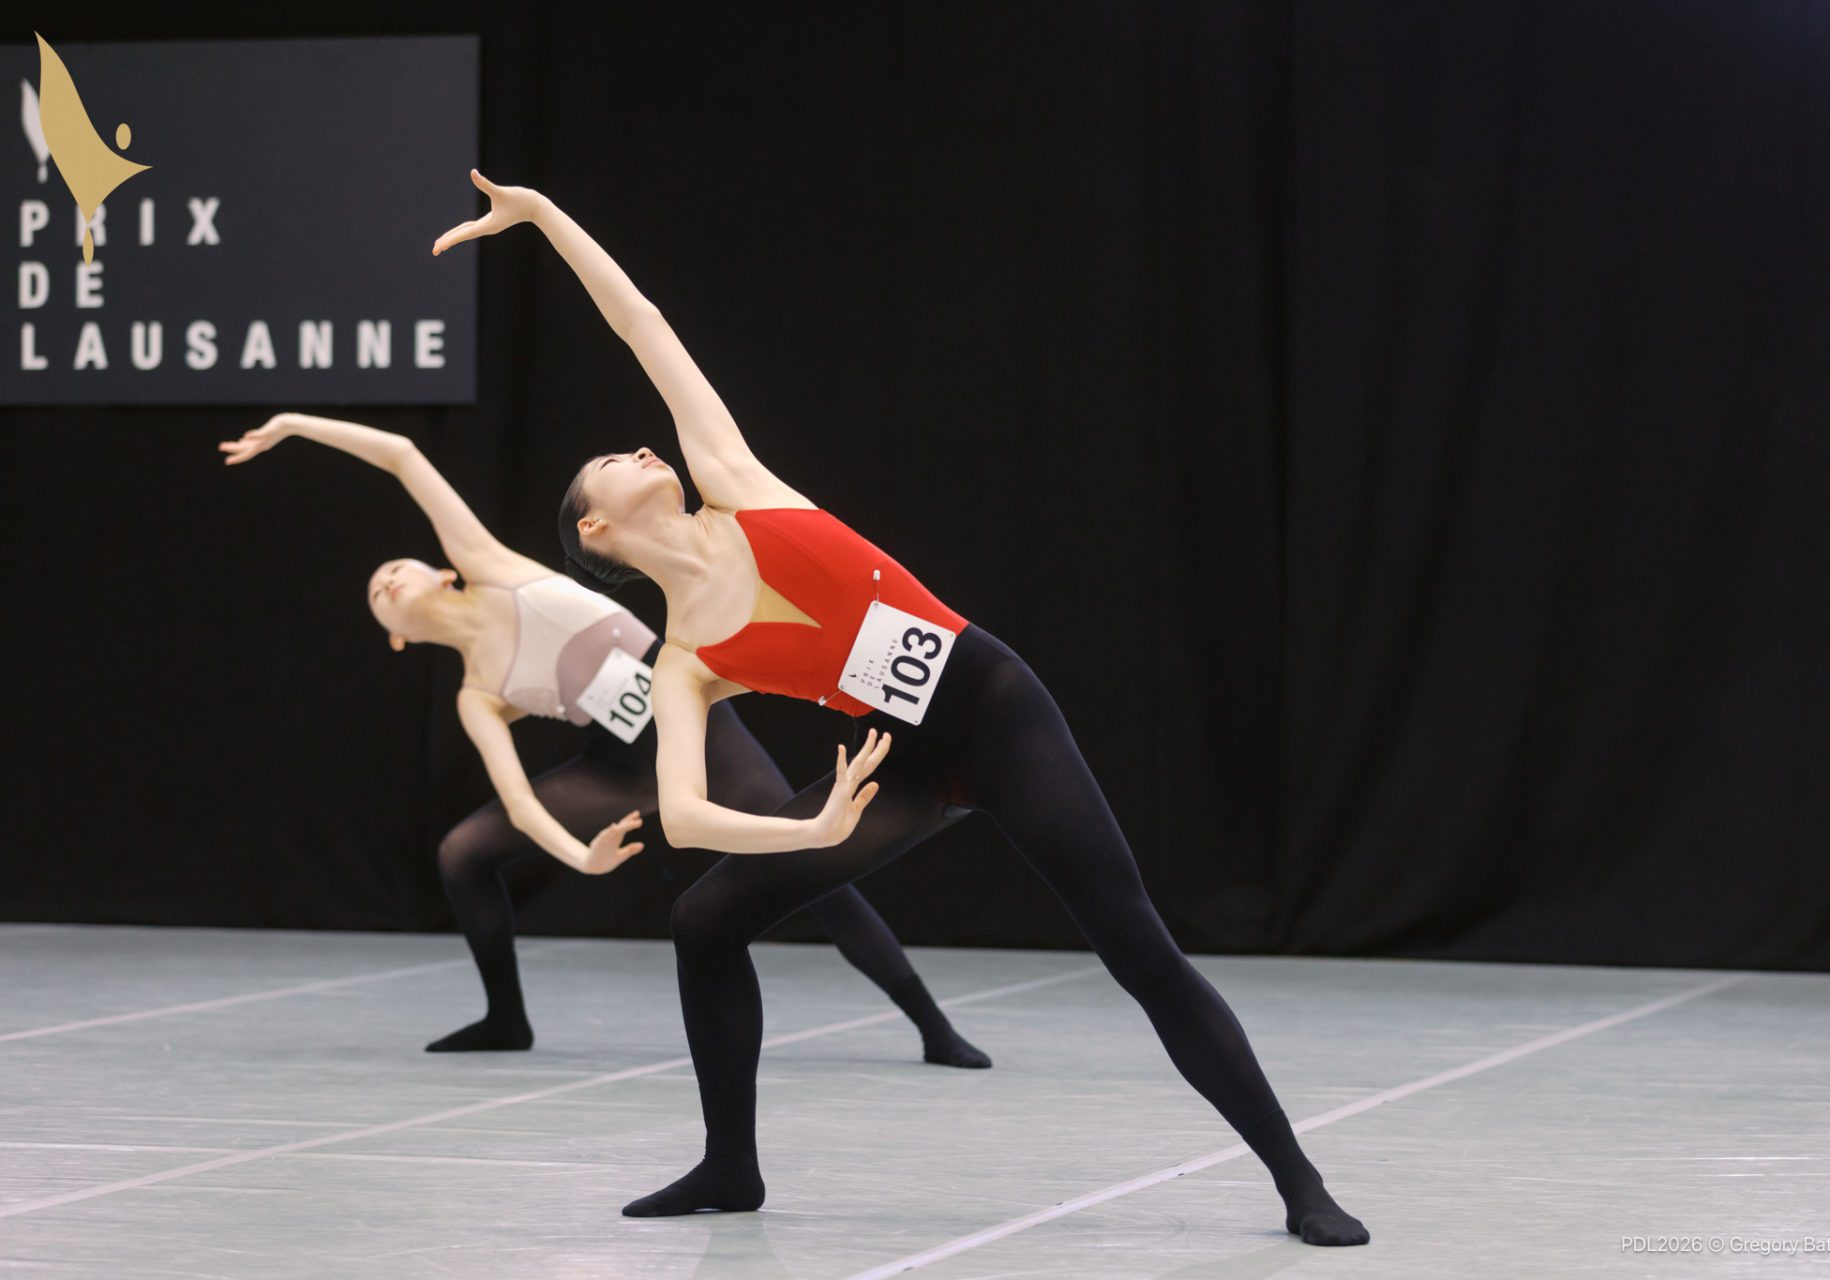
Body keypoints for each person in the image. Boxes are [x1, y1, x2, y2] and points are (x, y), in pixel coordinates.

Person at [432, 169, 1368, 1245]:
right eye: (611, 461)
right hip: (900, 767)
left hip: (998, 713)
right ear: (595, 530)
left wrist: (544, 217)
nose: (642, 448)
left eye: (640, 444)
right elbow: (682, 817)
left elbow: (637, 320)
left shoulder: (736, 478)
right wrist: (812, 827)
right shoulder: (686, 659)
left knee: (1136, 947)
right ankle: (731, 1166)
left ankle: (1298, 1179)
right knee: (704, 917)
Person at [215, 411, 991, 1069]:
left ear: (439, 573)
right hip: (616, 766)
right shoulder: (477, 694)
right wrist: (578, 857)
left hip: (691, 726)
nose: (386, 583)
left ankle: (931, 1024)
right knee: (462, 851)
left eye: (394, 570)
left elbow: (402, 455)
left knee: (811, 864)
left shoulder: (489, 567)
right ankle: (505, 1018)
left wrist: (292, 425)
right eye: (376, 594)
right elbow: (519, 802)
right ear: (395, 637)